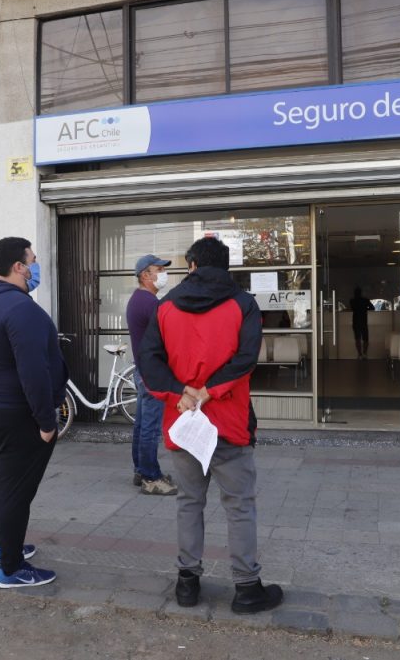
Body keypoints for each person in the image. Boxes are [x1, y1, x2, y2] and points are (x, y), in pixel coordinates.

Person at [139, 236, 283, 615]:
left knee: (189, 503)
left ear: (192, 266)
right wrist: (209, 391)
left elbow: (149, 361)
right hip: (229, 422)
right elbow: (246, 358)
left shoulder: (165, 306)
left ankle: (187, 583)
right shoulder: (243, 303)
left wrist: (179, 393)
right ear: (225, 266)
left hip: (184, 421)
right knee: (239, 506)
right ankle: (247, 588)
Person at [0, 237, 67, 588]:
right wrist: (46, 421)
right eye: (33, 260)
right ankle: (10, 569)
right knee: (16, 492)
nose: (37, 266)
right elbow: (33, 370)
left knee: (5, 484)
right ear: (19, 267)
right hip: (17, 413)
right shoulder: (20, 307)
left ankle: (3, 548)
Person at [126, 254, 177, 496]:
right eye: (159, 269)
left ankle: (141, 470)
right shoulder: (148, 302)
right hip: (151, 373)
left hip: (144, 371)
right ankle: (150, 477)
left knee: (142, 424)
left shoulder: (140, 299)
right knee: (150, 427)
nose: (163, 274)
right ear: (145, 275)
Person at [348, 287, 374, 359]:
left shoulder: (352, 301)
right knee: (365, 339)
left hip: (356, 322)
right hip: (363, 322)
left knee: (357, 339)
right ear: (361, 293)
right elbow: (372, 308)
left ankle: (359, 354)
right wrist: (365, 308)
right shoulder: (365, 300)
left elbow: (352, 308)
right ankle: (364, 354)